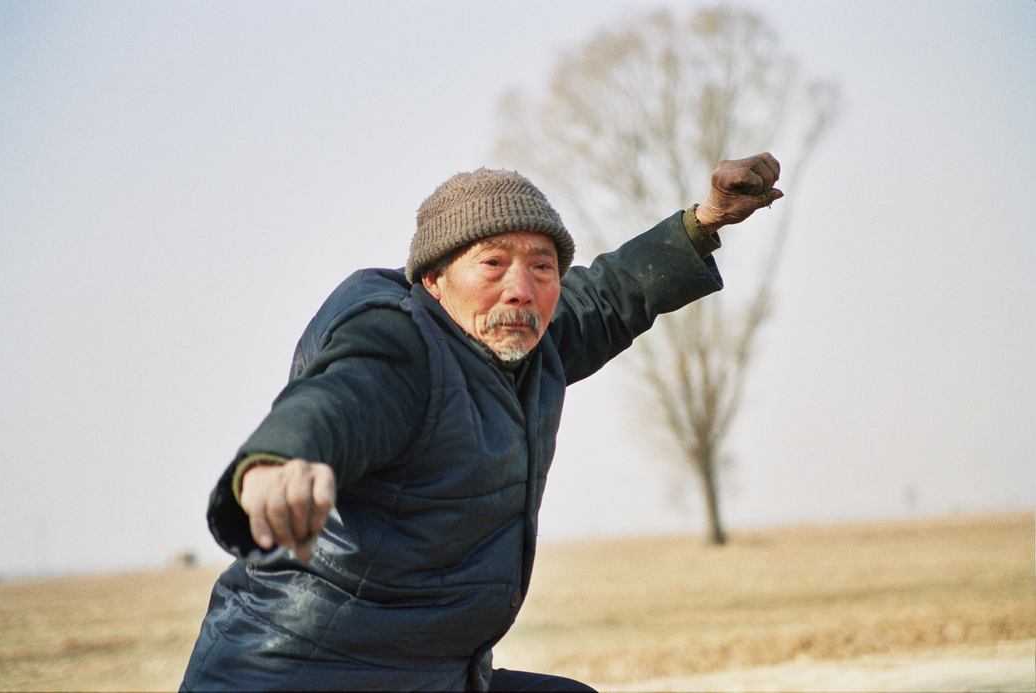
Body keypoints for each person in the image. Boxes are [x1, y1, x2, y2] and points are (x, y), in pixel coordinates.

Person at [180, 153, 782, 692]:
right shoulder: (399, 346)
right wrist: (274, 465)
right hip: (298, 670)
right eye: (492, 262)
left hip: (431, 672)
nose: (520, 288)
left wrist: (706, 220)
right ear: (434, 281)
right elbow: (336, 401)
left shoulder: (526, 341)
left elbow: (610, 293)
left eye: (543, 267)